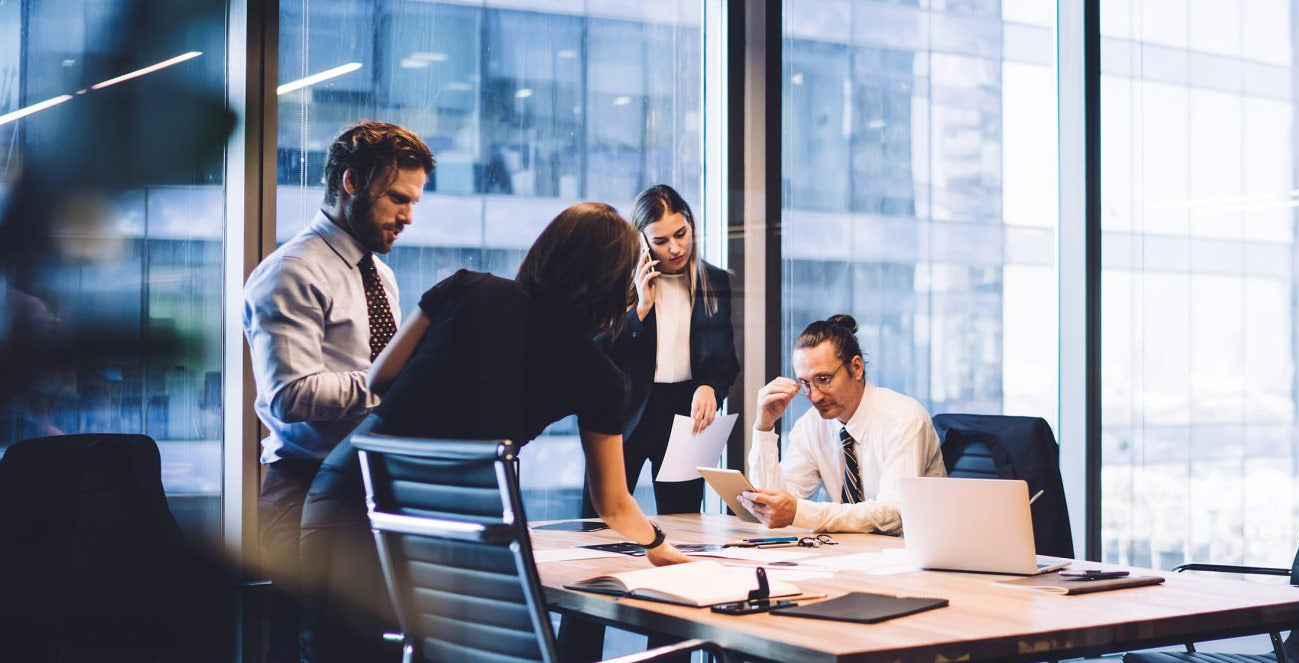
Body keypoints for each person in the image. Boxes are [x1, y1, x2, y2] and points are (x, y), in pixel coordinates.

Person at [297, 203, 690, 663]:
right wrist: (659, 546)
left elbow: (379, 379)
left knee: (329, 650)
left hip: (353, 484)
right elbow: (614, 503)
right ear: (612, 283)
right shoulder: (596, 372)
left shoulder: (468, 287)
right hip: (458, 517)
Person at [242, 120, 433, 663]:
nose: (408, 216)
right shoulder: (291, 272)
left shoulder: (379, 275)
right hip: (303, 492)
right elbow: (289, 395)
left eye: (414, 201)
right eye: (398, 198)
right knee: (318, 650)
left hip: (364, 488)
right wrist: (391, 384)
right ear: (352, 182)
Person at [739, 315, 946, 534]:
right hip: (848, 553)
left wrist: (800, 513)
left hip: (914, 553)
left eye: (824, 379)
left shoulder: (904, 419)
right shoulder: (812, 424)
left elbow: (894, 514)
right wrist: (764, 428)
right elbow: (774, 506)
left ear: (856, 368)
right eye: (805, 383)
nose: (815, 396)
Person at [606, 184, 738, 514]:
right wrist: (640, 309)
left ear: (691, 223)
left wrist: (710, 387)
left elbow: (725, 360)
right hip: (627, 410)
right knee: (601, 518)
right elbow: (601, 353)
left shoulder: (714, 281)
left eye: (681, 233)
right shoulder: (620, 281)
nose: (675, 248)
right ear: (642, 241)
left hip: (685, 415)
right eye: (661, 241)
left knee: (684, 521)